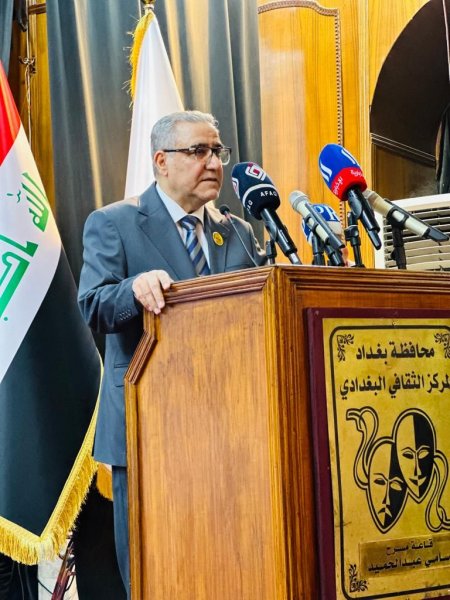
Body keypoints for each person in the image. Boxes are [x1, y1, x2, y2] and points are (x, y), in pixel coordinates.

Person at [78, 110, 265, 596]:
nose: (214, 163)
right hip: (150, 430)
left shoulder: (238, 232)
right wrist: (134, 288)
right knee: (155, 569)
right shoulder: (115, 223)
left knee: (224, 562)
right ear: (161, 161)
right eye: (198, 151)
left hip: (230, 430)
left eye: (217, 151)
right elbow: (93, 305)